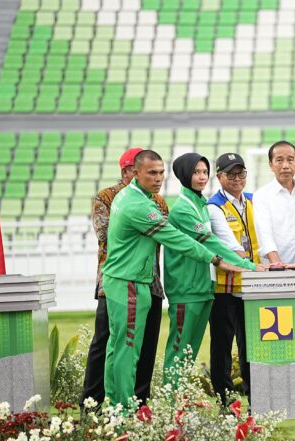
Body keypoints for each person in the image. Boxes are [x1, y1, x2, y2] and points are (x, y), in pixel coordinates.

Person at [102, 149, 247, 408]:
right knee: (127, 347)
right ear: (135, 173)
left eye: (161, 173)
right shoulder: (139, 204)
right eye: (152, 173)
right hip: (130, 282)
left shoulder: (139, 197)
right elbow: (176, 239)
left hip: (129, 280)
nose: (158, 178)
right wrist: (216, 259)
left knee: (119, 346)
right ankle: (124, 409)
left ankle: (116, 406)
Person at [163, 153, 263, 386]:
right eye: (196, 172)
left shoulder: (199, 204)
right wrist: (248, 266)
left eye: (204, 172)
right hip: (186, 288)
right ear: (184, 175)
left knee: (188, 353)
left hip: (202, 287)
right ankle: (169, 406)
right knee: (179, 350)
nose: (201, 177)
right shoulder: (184, 209)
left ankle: (178, 405)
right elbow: (212, 243)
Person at [82, 148, 165, 409]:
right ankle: (92, 403)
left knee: (146, 343)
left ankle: (139, 402)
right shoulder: (107, 197)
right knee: (106, 341)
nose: (150, 176)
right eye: (134, 170)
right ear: (127, 171)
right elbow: (104, 233)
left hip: (150, 280)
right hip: (115, 281)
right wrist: (137, 220)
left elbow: (166, 234)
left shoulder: (158, 200)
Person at [206, 153, 262, 406]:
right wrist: (254, 266)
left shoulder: (253, 201)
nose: (237, 179)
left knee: (251, 343)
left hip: (251, 285)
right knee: (222, 345)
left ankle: (255, 396)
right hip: (224, 287)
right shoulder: (213, 206)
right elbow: (229, 247)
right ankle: (225, 399)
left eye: (241, 173)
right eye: (231, 174)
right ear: (219, 177)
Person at [252, 141, 295, 265]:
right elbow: (264, 234)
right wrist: (277, 265)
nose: (285, 165)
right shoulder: (262, 195)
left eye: (290, 160)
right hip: (277, 269)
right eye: (279, 160)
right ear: (271, 165)